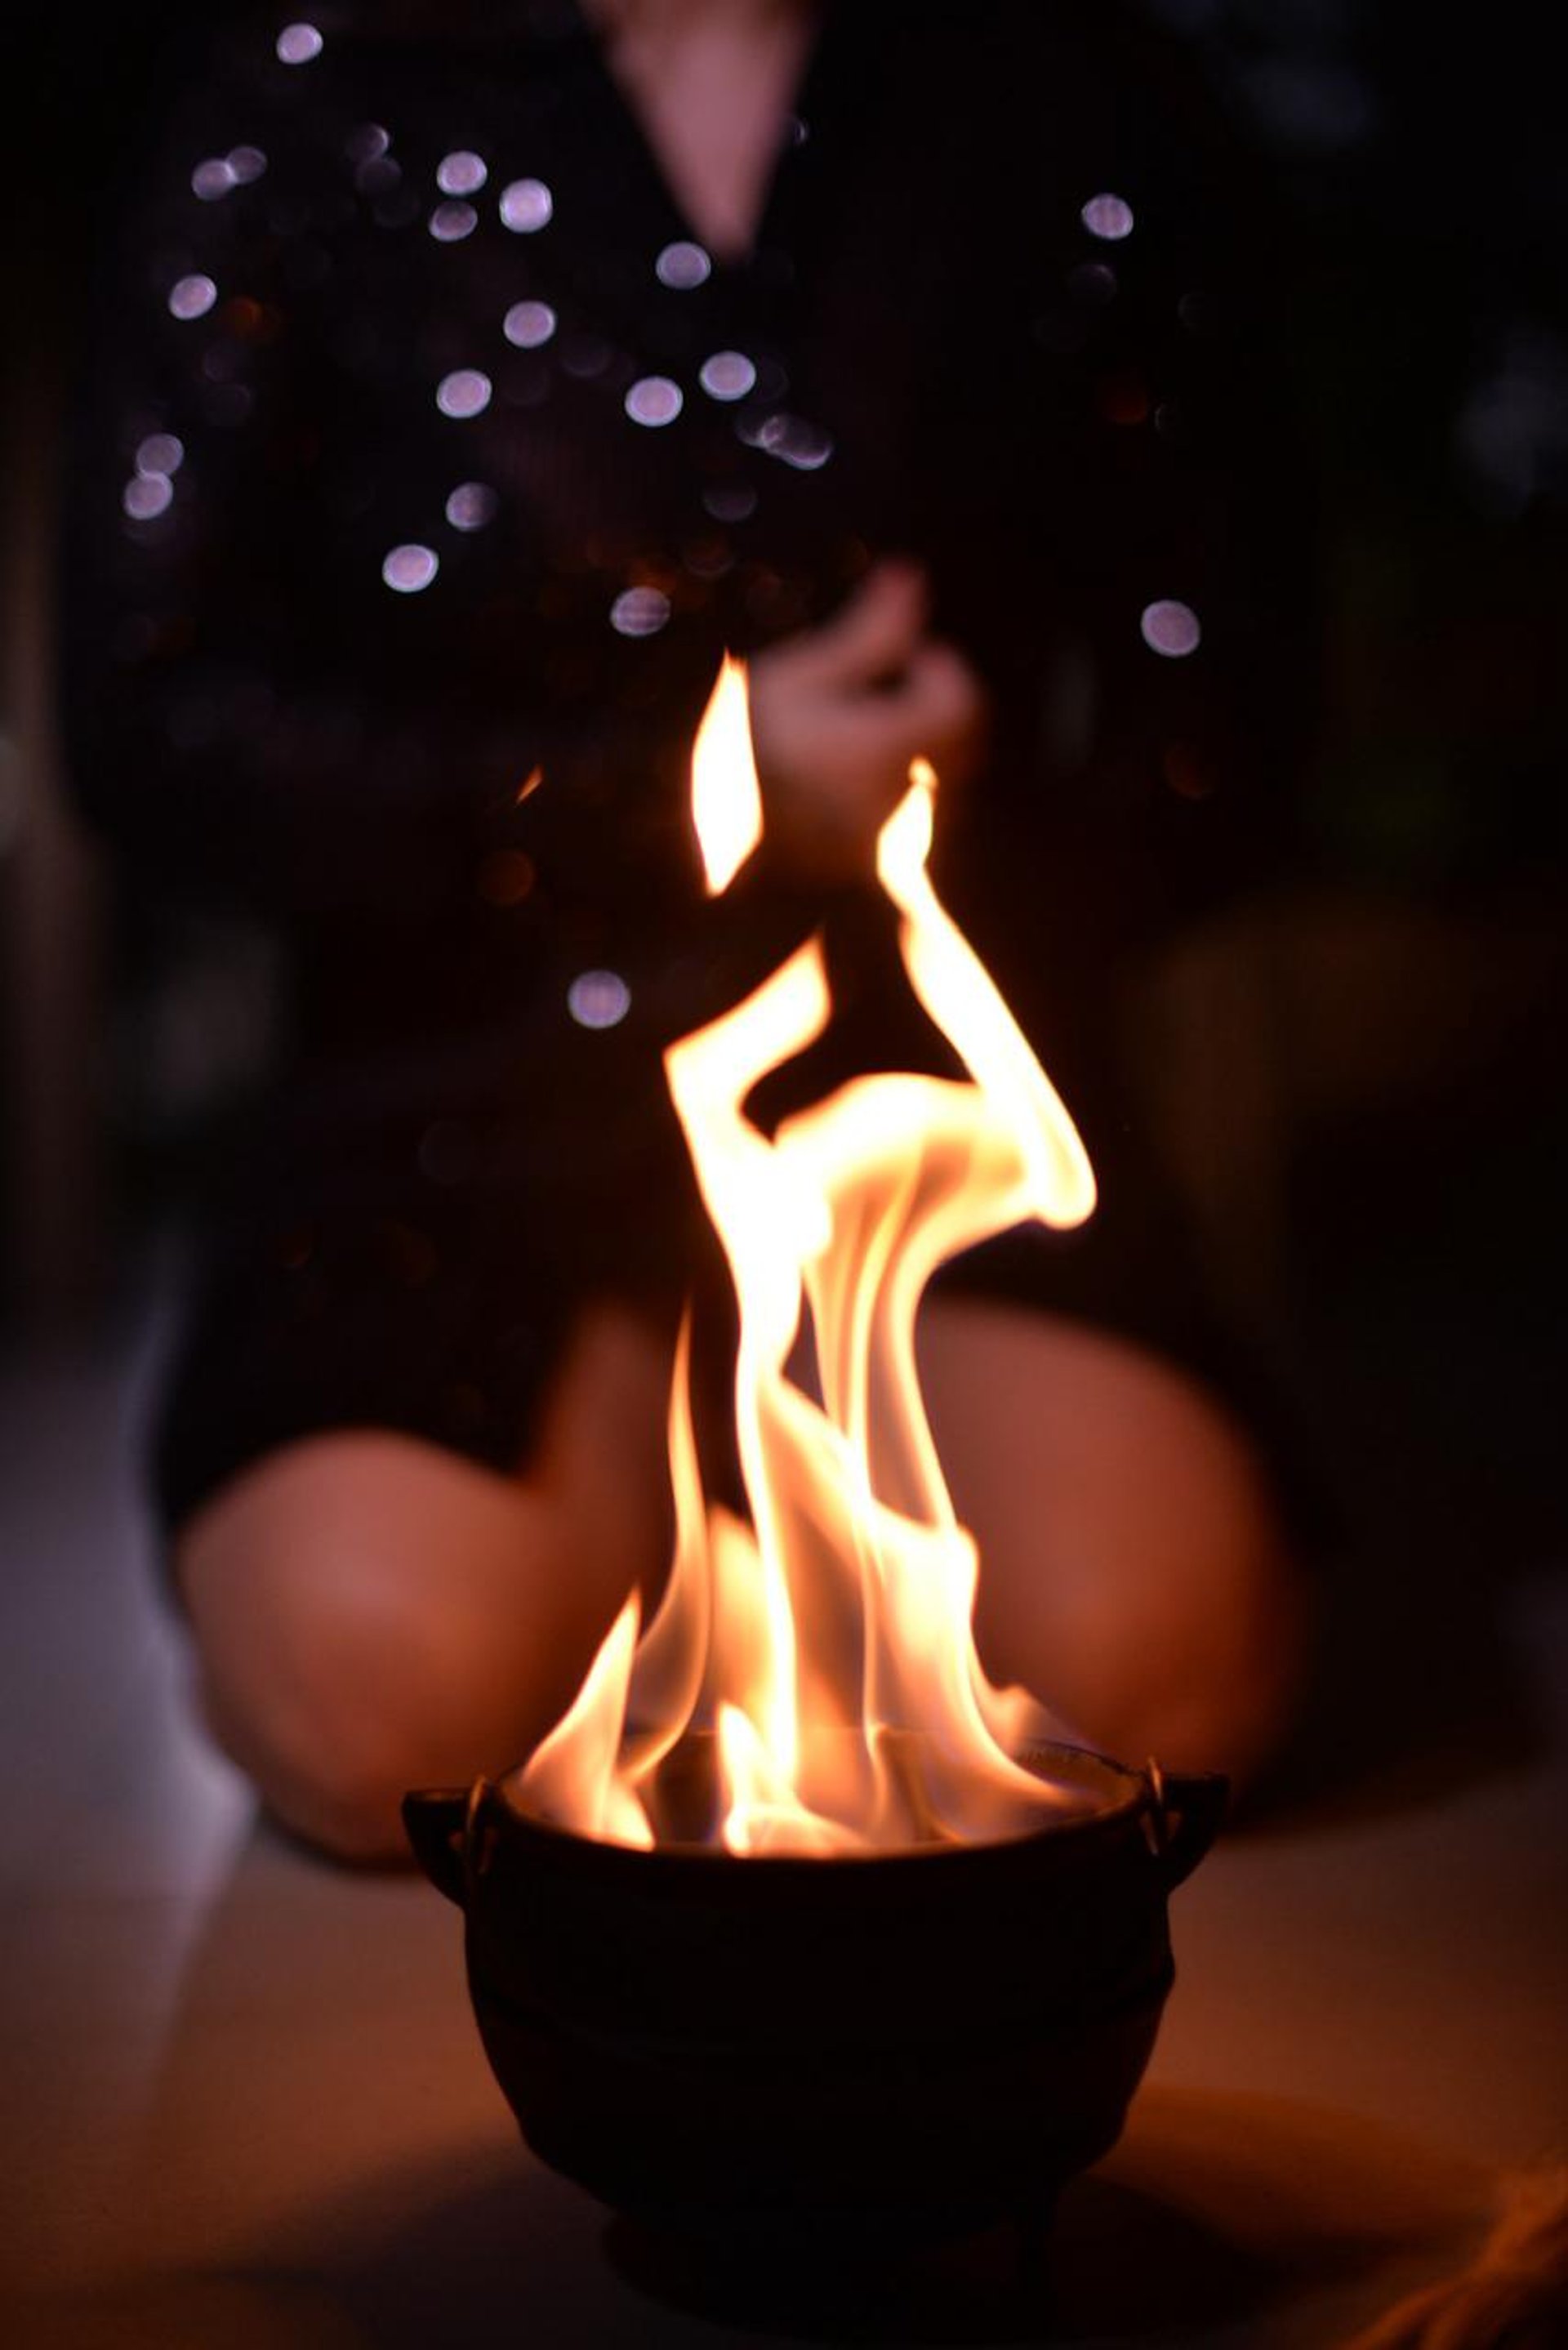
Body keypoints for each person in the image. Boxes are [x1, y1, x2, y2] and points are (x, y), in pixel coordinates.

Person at [60, 0, 1316, 1861]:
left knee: (1158, 1680)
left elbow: (1232, 715)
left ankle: (755, 1502)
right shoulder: (313, 92)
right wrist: (670, 791)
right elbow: (153, 724)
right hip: (454, 1099)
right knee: (382, 1703)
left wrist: (944, 798)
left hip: (912, 1067)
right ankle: (640, 1508)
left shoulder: (1065, 93)